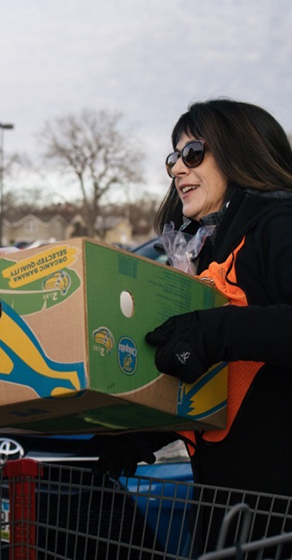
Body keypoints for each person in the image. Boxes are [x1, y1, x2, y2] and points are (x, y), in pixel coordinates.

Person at [87, 98, 292, 549]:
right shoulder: (208, 248)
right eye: (173, 157)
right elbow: (221, 379)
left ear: (241, 150)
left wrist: (211, 330)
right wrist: (143, 433)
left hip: (278, 509)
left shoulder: (279, 221)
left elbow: (236, 338)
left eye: (193, 153)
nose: (177, 168)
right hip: (226, 504)